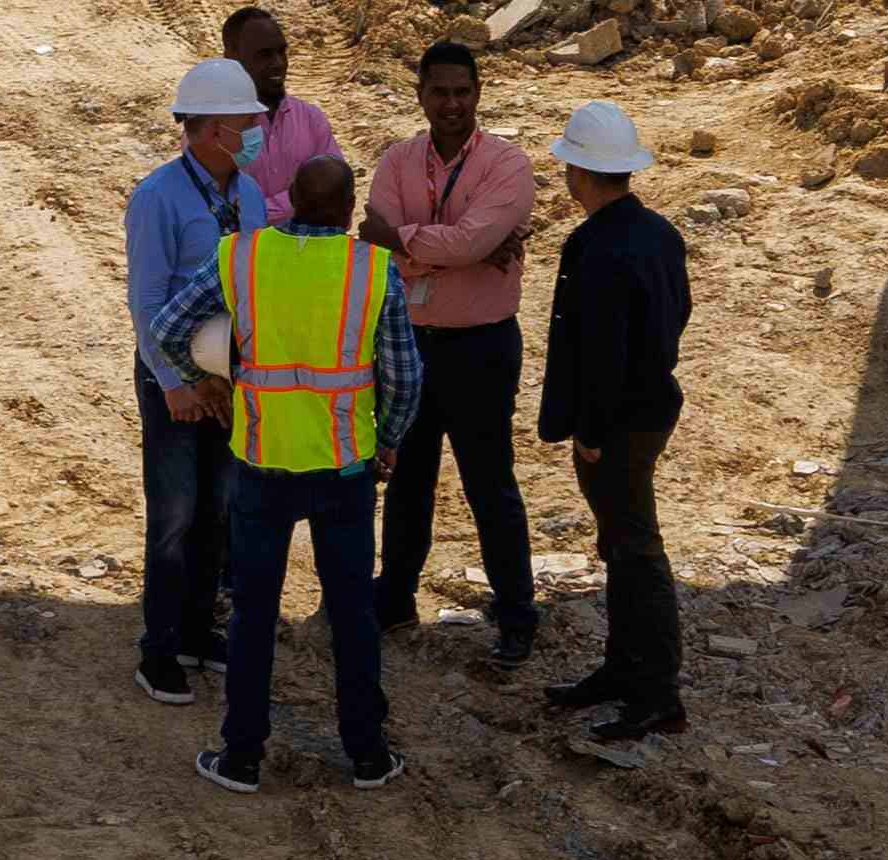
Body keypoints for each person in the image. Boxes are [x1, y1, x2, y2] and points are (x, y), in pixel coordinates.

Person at [157, 153, 425, 793]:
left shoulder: (242, 257)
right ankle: (366, 754)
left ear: (294, 203)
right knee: (352, 612)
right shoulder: (372, 270)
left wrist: (207, 383)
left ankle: (242, 756)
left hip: (259, 461)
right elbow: (406, 378)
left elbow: (169, 329)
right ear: (347, 209)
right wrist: (387, 441)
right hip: (344, 466)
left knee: (253, 613)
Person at [362, 41, 538, 668]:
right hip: (406, 343)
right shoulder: (396, 162)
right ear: (420, 95)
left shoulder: (508, 165)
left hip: (480, 347)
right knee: (407, 480)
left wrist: (410, 241)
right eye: (439, 92)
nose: (452, 104)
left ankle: (517, 613)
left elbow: (464, 241)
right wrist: (453, 247)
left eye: (462, 91)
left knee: (489, 484)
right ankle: (396, 599)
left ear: (479, 93)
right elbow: (377, 241)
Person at [532, 97, 690, 741]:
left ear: (578, 172)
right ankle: (625, 672)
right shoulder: (659, 233)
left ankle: (654, 691)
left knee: (634, 549)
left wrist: (591, 432)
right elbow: (668, 324)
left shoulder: (594, 245)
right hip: (651, 408)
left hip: (616, 423)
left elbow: (601, 352)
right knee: (624, 546)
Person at [120, 56, 263, 704]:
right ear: (209, 130)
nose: (257, 129)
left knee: (219, 509)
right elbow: (147, 303)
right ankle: (160, 647)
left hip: (229, 379)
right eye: (246, 121)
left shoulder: (251, 197)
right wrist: (176, 383)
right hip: (174, 379)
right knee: (175, 514)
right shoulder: (158, 198)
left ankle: (199, 632)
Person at [221, 4, 342, 221]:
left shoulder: (311, 119)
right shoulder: (213, 127)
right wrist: (301, 202)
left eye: (281, 52)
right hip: (242, 254)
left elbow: (334, 193)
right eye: (264, 55)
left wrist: (258, 213)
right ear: (231, 58)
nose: (278, 63)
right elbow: (222, 211)